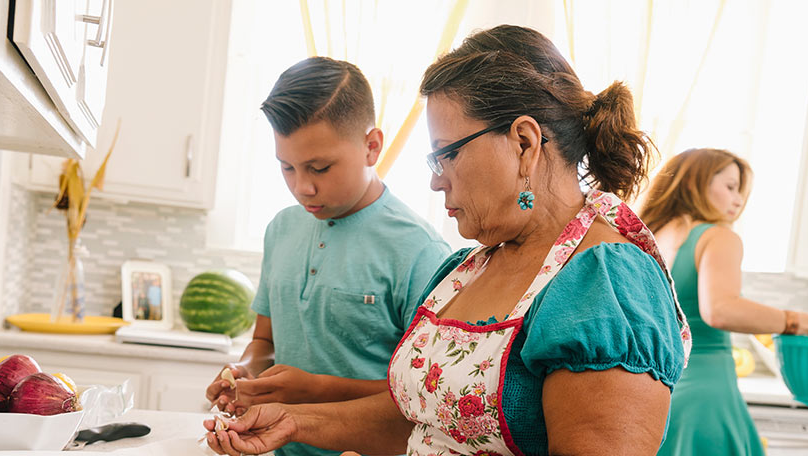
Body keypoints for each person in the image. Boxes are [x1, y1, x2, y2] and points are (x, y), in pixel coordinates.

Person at [204, 25, 691, 456]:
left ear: (524, 143)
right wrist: (294, 421)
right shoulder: (469, 268)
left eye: (446, 155)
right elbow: (420, 421)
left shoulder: (605, 282)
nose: (437, 181)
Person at [202, 56, 452, 456]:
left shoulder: (423, 252)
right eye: (287, 168)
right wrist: (247, 372)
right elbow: (265, 339)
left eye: (319, 167)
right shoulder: (281, 229)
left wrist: (313, 390)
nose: (303, 188)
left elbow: (425, 399)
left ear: (372, 146)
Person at [642, 148, 808, 456]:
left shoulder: (648, 237)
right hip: (706, 395)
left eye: (741, 191)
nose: (739, 200)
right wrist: (806, 323)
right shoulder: (717, 236)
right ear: (693, 183)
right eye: (730, 187)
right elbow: (720, 310)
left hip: (655, 394)